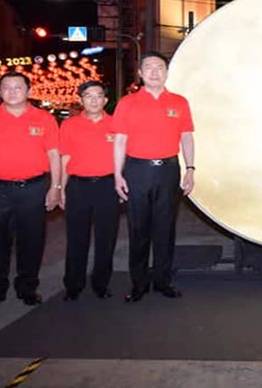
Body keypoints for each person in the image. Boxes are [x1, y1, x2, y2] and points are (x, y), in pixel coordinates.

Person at [0, 72, 61, 311]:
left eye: (18, 87)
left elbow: (54, 155)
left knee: (31, 242)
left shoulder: (44, 118)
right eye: (6, 88)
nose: (12, 92)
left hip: (33, 188)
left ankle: (27, 287)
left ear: (28, 91)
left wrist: (56, 187)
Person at [112, 51, 195, 303]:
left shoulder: (179, 102)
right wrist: (118, 175)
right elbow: (119, 140)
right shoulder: (127, 103)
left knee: (165, 228)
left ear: (167, 72)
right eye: (148, 67)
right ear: (140, 73)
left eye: (160, 67)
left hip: (168, 171)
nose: (154, 72)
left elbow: (187, 137)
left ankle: (163, 281)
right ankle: (139, 283)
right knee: (138, 229)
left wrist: (190, 168)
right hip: (137, 170)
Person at [59, 81, 119, 301]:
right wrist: (61, 188)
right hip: (77, 186)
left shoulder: (116, 124)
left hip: (107, 186)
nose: (94, 100)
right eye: (88, 96)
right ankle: (73, 285)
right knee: (76, 238)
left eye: (98, 95)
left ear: (105, 99)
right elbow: (65, 157)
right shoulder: (69, 125)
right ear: (80, 100)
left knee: (106, 238)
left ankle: (101, 283)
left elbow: (123, 158)